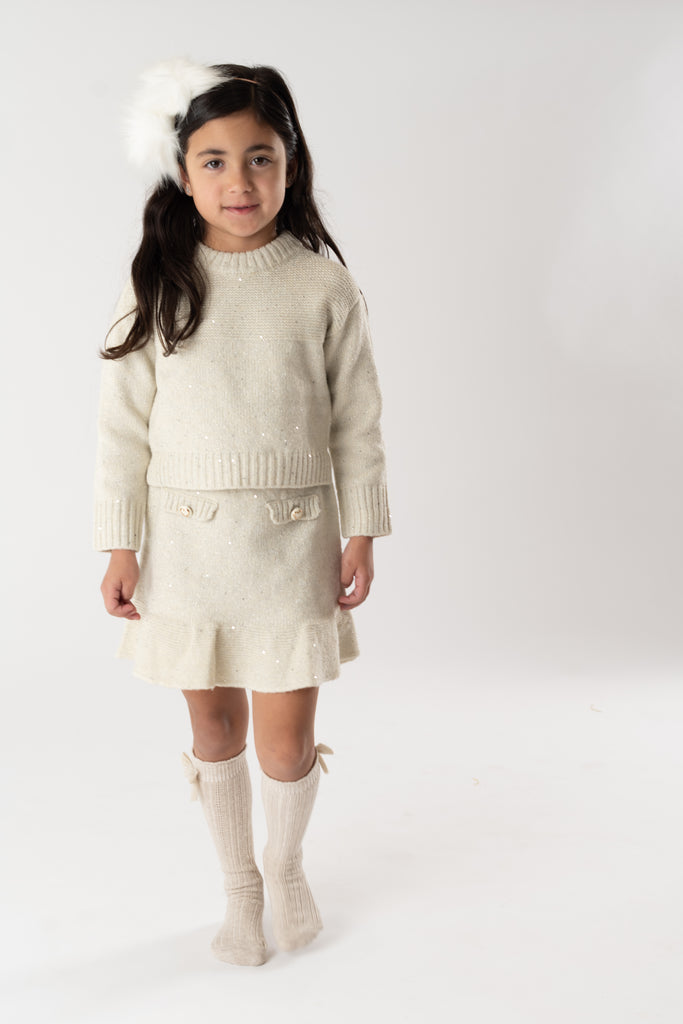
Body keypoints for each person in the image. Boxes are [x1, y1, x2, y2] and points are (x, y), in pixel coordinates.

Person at [93, 58, 392, 967]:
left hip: (293, 543)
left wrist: (361, 528)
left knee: (285, 739)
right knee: (214, 728)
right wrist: (120, 543)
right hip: (188, 548)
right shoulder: (160, 282)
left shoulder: (321, 287)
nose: (239, 180)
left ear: (290, 167)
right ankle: (238, 886)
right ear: (182, 173)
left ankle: (285, 864)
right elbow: (122, 427)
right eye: (214, 160)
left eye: (260, 157)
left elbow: (356, 419)